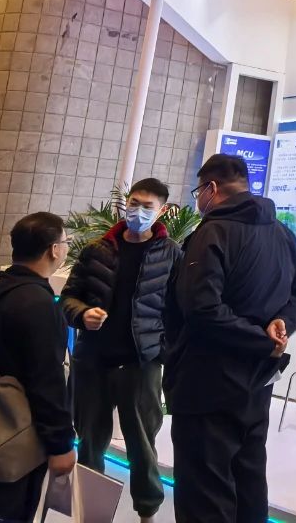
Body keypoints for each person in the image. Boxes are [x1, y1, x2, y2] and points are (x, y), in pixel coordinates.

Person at [165, 154, 296, 523]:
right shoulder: (283, 234)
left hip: (207, 383)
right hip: (258, 383)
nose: (199, 200)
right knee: (248, 481)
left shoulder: (212, 233)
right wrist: (280, 325)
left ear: (211, 188)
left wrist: (262, 339)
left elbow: (201, 308)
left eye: (199, 191)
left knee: (205, 493)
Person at [60, 177, 181, 523]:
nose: (137, 212)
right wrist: (82, 314)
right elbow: (68, 297)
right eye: (134, 203)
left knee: (142, 447)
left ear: (162, 211)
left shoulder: (171, 254)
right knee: (89, 443)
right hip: (93, 363)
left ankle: (147, 513)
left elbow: (179, 311)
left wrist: (161, 351)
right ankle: (90, 514)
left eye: (147, 206)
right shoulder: (97, 249)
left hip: (141, 365)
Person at [0, 212, 76, 523]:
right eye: (65, 242)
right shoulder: (38, 303)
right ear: (54, 250)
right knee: (8, 511)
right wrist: (61, 443)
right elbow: (47, 381)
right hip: (20, 439)